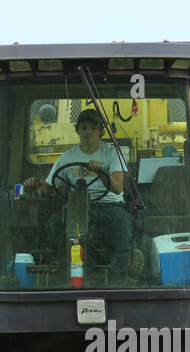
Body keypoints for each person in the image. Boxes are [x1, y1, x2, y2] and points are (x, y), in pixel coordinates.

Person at [24, 108, 134, 279]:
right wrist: (35, 184)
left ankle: (119, 276)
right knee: (56, 223)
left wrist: (100, 172)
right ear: (77, 130)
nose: (88, 132)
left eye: (93, 127)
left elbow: (118, 188)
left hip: (110, 204)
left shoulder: (112, 153)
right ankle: (75, 272)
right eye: (84, 127)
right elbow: (50, 187)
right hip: (79, 206)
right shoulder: (68, 156)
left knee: (123, 226)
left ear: (100, 131)